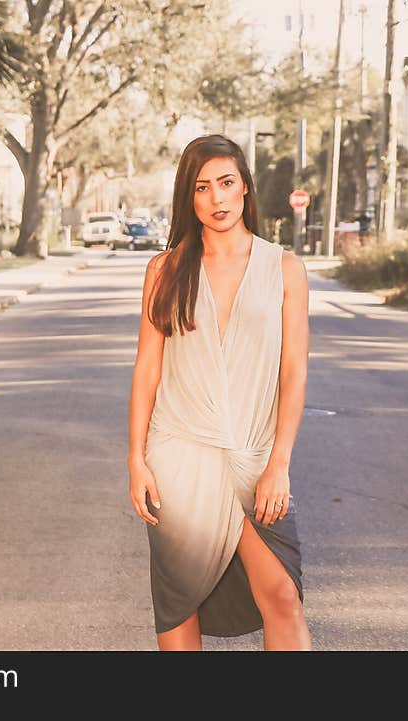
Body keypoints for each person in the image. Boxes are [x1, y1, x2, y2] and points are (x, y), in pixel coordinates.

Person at [127, 134, 312, 651]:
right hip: (178, 455)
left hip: (254, 458)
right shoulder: (164, 270)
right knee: (180, 601)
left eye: (227, 183)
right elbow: (148, 368)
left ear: (246, 188)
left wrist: (280, 462)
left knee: (282, 596)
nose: (217, 198)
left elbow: (293, 372)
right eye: (203, 188)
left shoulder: (285, 269)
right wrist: (136, 459)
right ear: (189, 198)